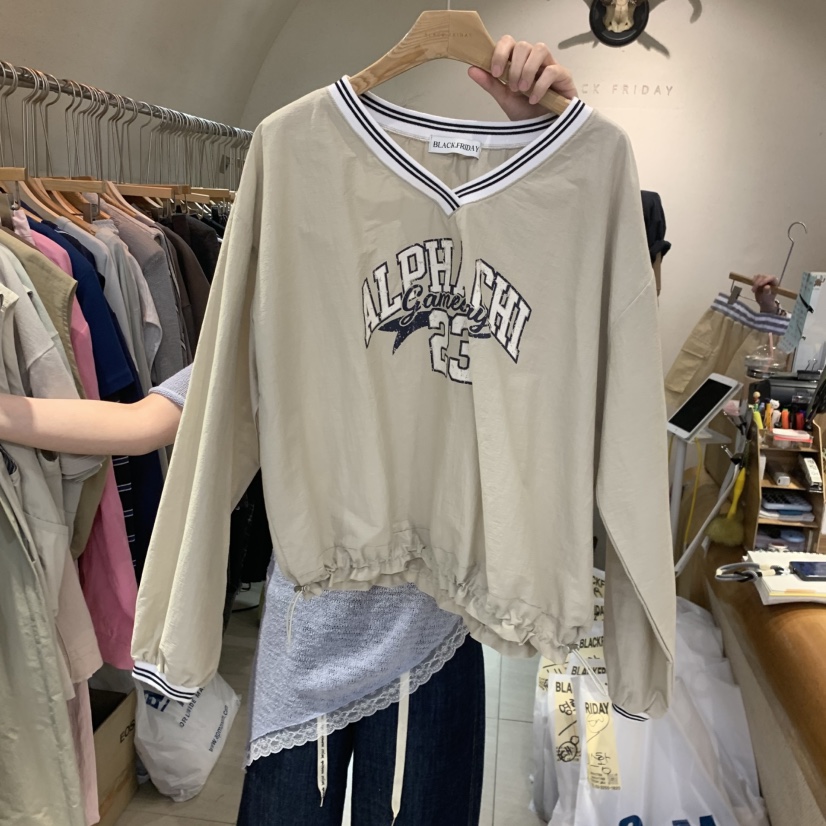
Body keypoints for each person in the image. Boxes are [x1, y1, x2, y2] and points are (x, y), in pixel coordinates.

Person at [0, 39, 578, 825]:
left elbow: (564, 316)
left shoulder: (468, 315)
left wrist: (546, 136)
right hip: (308, 637)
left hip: (435, 634)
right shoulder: (287, 324)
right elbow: (143, 423)